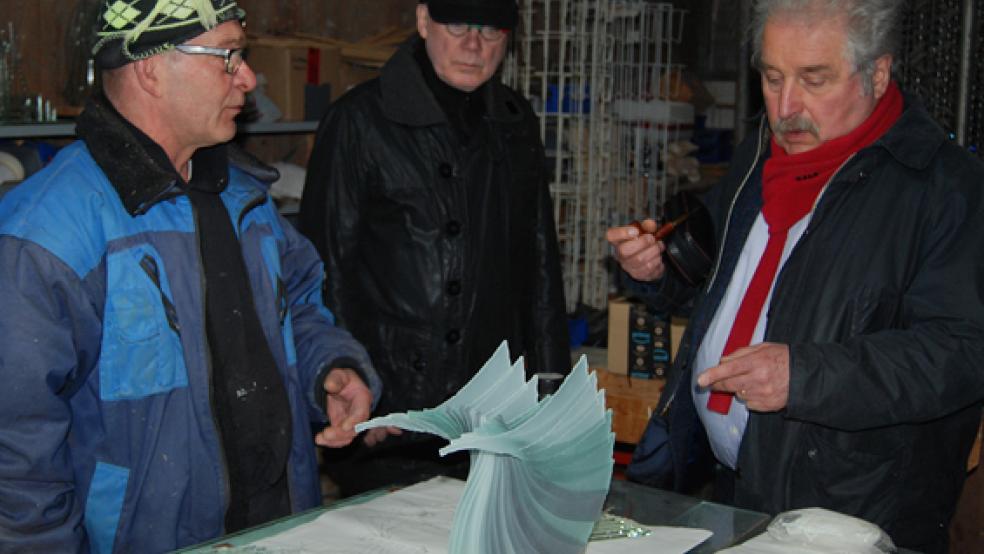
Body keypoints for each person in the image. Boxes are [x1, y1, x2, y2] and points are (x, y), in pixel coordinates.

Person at [0, 1, 382, 552]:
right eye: (228, 57)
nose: (249, 78)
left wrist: (328, 366)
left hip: (279, 527)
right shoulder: (45, 237)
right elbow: (15, 458)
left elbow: (297, 302)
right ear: (151, 67)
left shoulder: (244, 198)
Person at [607, 0, 984, 551]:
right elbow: (715, 279)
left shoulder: (946, 189)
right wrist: (658, 265)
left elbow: (963, 352)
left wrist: (804, 376)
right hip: (733, 487)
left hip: (853, 513)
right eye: (773, 77)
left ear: (877, 74)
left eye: (814, 79)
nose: (787, 106)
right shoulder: (759, 157)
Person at [299, 0, 570, 496]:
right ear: (424, 21)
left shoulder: (514, 123)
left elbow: (540, 266)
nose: (474, 44)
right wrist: (356, 387)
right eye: (458, 24)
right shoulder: (359, 123)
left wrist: (551, 387)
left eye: (491, 29)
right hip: (392, 413)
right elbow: (324, 274)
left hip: (492, 411)